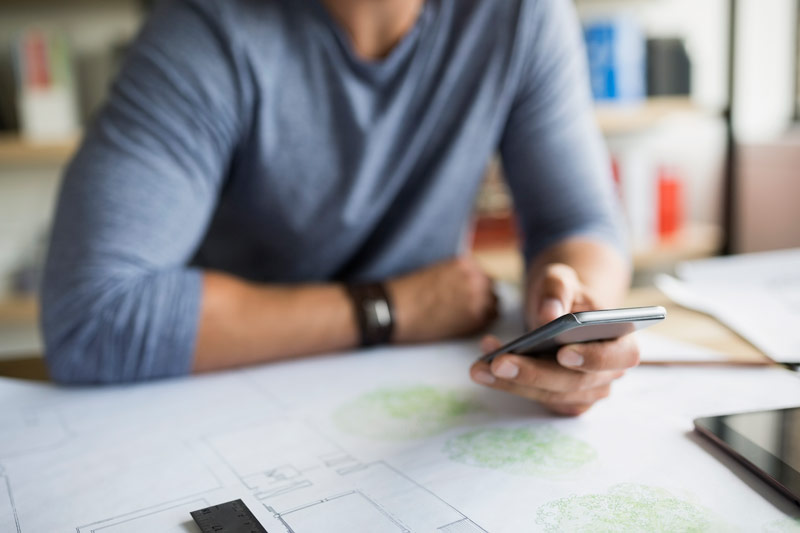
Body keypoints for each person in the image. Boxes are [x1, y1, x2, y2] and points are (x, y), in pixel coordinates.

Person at [41, 0, 638, 415]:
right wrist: (391, 307)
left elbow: (578, 225)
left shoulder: (518, 15)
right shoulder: (205, 30)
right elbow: (91, 317)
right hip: (227, 393)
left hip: (421, 388)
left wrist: (575, 313)